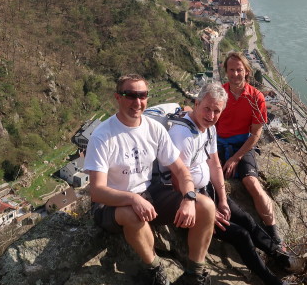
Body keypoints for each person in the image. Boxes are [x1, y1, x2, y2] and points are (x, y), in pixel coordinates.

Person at [160, 82, 298, 285]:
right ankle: (271, 280)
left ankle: (278, 255)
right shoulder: (181, 135)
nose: (211, 115)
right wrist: (208, 212)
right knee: (241, 235)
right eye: (207, 108)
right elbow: (176, 180)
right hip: (189, 198)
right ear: (197, 104)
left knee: (246, 219)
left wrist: (223, 200)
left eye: (217, 111)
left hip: (206, 189)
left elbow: (215, 164)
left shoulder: (208, 129)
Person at [84, 74, 216, 285]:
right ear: (118, 97)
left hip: (149, 192)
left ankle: (194, 273)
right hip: (111, 204)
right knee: (132, 213)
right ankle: (154, 271)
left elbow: (181, 170)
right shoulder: (103, 136)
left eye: (142, 95)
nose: (137, 102)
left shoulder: (154, 128)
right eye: (130, 95)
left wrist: (189, 198)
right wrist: (133, 199)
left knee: (206, 206)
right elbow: (97, 191)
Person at [216, 51, 283, 245]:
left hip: (243, 144)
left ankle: (274, 232)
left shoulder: (256, 97)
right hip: (218, 143)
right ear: (226, 71)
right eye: (231, 70)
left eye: (239, 70)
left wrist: (236, 158)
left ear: (247, 72)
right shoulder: (219, 94)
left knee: (252, 183)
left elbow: (255, 134)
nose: (235, 74)